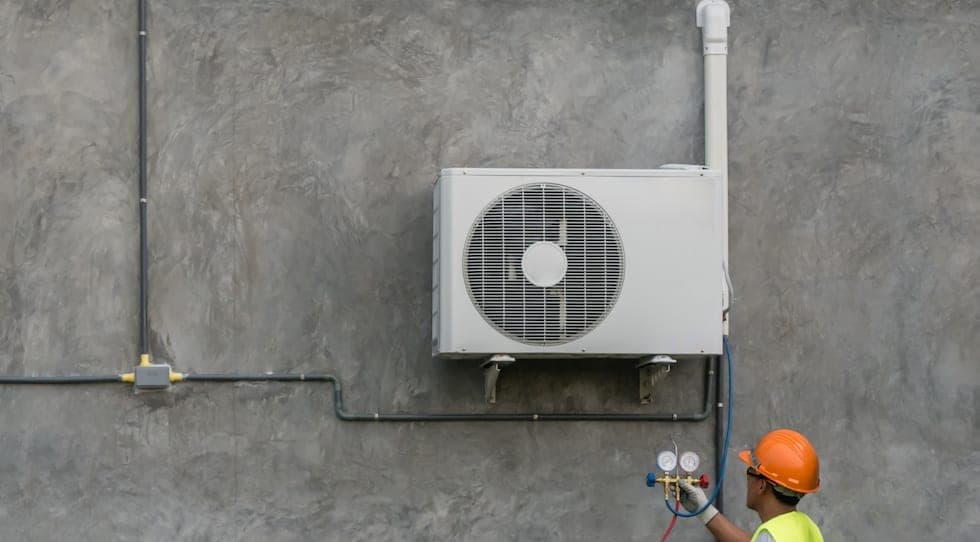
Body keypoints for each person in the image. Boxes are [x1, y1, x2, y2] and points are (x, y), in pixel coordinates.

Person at [674, 428, 824, 542]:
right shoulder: (806, 526)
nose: (747, 479)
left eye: (750, 471)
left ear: (761, 486)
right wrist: (704, 510)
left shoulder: (771, 534)